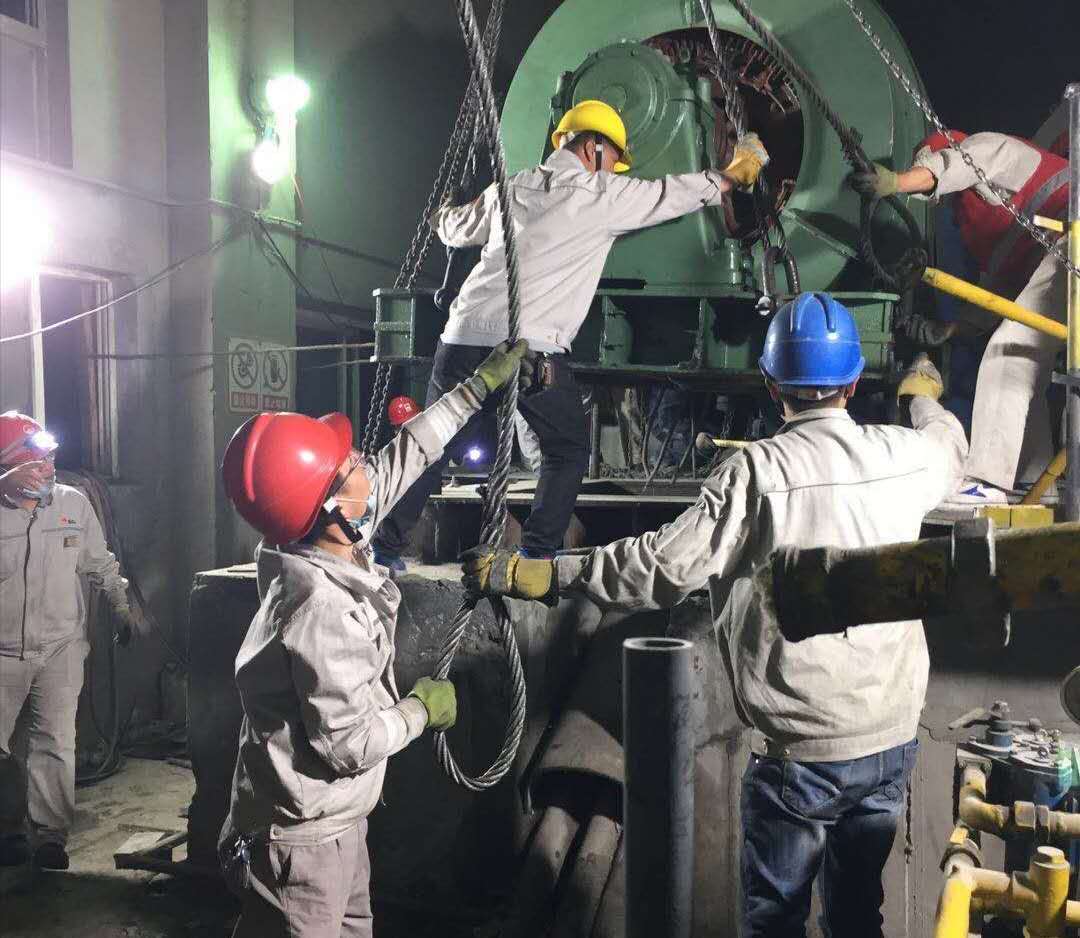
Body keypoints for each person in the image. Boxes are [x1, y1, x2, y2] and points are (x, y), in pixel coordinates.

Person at [462, 294, 967, 938]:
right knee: (856, 913)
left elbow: (661, 567)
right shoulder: (905, 455)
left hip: (799, 753)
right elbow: (950, 445)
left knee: (775, 922)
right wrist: (922, 395)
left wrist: (548, 573)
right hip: (888, 740)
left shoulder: (756, 472)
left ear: (772, 385)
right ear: (853, 381)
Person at [371, 99, 770, 574]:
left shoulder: (509, 188)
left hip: (463, 336)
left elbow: (455, 229)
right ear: (593, 145)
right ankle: (536, 558)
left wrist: (442, 214)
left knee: (434, 445)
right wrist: (730, 175)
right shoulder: (600, 195)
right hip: (531, 348)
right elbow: (670, 194)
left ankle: (385, 550)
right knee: (566, 450)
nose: (614, 167)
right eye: (614, 156)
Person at [218, 341, 525, 938]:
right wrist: (420, 711)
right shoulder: (321, 610)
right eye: (351, 462)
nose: (365, 462)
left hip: (334, 822)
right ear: (333, 506)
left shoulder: (320, 535)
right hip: (301, 845)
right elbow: (348, 744)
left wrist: (477, 388)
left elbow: (408, 454)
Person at [850, 130, 1069, 507]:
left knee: (1009, 355)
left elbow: (957, 165)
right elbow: (999, 299)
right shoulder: (1002, 238)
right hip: (1067, 253)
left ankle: (987, 481)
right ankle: (1034, 478)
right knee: (1024, 356)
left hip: (1075, 235)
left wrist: (897, 182)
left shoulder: (988, 148)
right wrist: (947, 329)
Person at [0, 411, 138, 870]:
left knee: (55, 741)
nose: (47, 469)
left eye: (50, 460)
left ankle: (50, 838)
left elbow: (99, 562)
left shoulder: (72, 504)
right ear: (8, 466)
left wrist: (121, 608)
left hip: (61, 646)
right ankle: (8, 831)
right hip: (2, 654)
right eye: (35, 463)